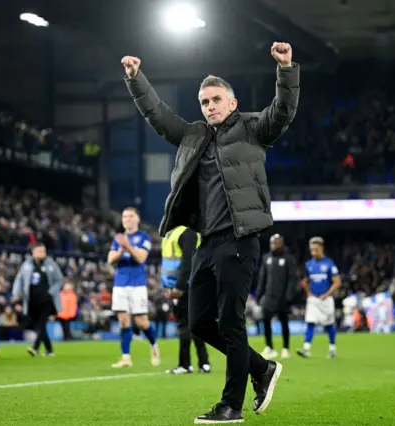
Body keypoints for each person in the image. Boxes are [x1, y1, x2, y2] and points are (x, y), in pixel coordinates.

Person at [122, 41, 299, 423]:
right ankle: (261, 369)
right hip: (206, 244)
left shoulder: (252, 129)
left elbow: (283, 112)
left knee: (231, 323)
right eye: (204, 102)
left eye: (216, 99)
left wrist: (285, 70)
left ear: (232, 103)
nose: (210, 106)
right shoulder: (192, 136)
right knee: (199, 322)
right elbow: (158, 115)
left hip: (240, 240)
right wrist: (136, 79)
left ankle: (231, 405)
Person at [108, 207, 159, 368]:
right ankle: (125, 357)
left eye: (130, 216)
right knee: (123, 321)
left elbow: (141, 258)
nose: (127, 219)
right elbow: (110, 260)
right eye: (124, 216)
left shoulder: (144, 237)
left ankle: (153, 345)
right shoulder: (118, 239)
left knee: (142, 322)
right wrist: (122, 247)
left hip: (137, 284)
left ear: (137, 219)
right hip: (120, 284)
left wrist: (127, 246)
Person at [161, 225, 211, 375]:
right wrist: (167, 287)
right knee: (190, 324)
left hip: (187, 286)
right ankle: (203, 363)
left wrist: (179, 287)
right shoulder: (171, 234)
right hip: (177, 286)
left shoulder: (185, 233)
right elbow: (167, 264)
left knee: (187, 324)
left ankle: (186, 364)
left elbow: (188, 261)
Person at [12, 243, 64, 356]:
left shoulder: (51, 264)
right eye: (39, 251)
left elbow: (59, 280)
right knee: (39, 326)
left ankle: (35, 348)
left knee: (41, 324)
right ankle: (49, 350)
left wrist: (51, 293)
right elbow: (19, 279)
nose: (42, 254)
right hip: (31, 300)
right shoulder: (27, 265)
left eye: (43, 251)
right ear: (33, 252)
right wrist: (16, 293)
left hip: (46, 300)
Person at [297, 237, 342, 359]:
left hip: (326, 300)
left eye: (315, 249)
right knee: (310, 323)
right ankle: (306, 349)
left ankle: (332, 349)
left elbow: (337, 282)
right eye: (311, 250)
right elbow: (305, 281)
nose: (313, 252)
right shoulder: (309, 264)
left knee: (329, 325)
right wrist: (308, 292)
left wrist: (326, 294)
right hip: (313, 300)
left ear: (321, 248)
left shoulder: (329, 264)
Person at [256, 234, 297, 360]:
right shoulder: (266, 258)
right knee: (266, 321)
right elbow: (262, 277)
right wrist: (259, 293)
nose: (274, 245)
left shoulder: (288, 259)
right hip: (268, 297)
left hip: (282, 297)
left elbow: (292, 278)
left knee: (284, 322)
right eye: (272, 243)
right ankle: (269, 348)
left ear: (282, 243)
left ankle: (285, 348)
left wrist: (289, 296)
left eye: (277, 243)